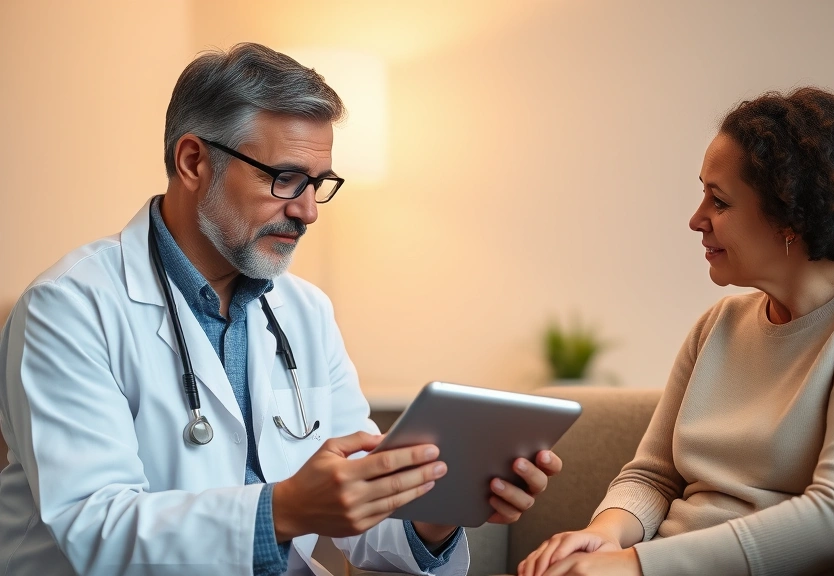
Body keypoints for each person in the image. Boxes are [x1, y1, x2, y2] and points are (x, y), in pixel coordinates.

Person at [0, 43, 561, 576]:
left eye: (318, 183)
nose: (309, 211)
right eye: (286, 178)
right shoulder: (69, 307)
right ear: (193, 161)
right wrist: (285, 509)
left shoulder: (305, 311)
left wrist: (439, 511)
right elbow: (95, 531)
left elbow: (358, 520)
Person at [518, 87, 834, 576]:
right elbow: (652, 476)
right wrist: (603, 535)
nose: (696, 220)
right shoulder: (719, 325)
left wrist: (636, 565)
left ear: (790, 216)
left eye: (719, 200)